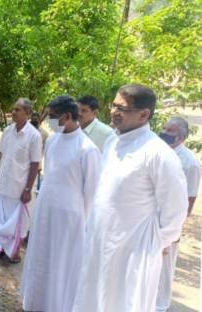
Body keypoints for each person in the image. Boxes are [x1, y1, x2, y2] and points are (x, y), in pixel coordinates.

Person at [73, 84, 187, 312]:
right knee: (92, 298)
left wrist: (152, 244)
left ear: (144, 114)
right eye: (114, 105)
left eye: (122, 108)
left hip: (133, 252)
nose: (114, 112)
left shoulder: (158, 153)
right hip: (100, 241)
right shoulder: (112, 142)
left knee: (122, 303)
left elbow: (175, 213)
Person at [19, 96, 101, 311]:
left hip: (69, 218)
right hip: (45, 209)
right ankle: (34, 303)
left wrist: (82, 224)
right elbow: (51, 175)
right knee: (40, 258)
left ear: (67, 116)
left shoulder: (88, 149)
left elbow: (91, 192)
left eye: (54, 117)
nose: (50, 121)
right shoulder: (53, 141)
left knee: (60, 264)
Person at [0, 98, 42, 263]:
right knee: (0, 219)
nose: (14, 112)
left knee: (17, 222)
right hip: (3, 184)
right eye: (13, 109)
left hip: (19, 188)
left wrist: (27, 189)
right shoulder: (7, 131)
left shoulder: (34, 136)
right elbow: (2, 157)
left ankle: (14, 251)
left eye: (18, 110)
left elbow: (35, 164)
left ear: (27, 113)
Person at [155, 117, 200, 312]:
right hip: (149, 218)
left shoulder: (190, 163)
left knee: (164, 268)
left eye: (169, 130)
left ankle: (160, 306)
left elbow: (189, 200)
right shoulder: (158, 153)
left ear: (181, 137)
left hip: (170, 223)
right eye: (163, 128)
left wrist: (175, 229)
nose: (164, 132)